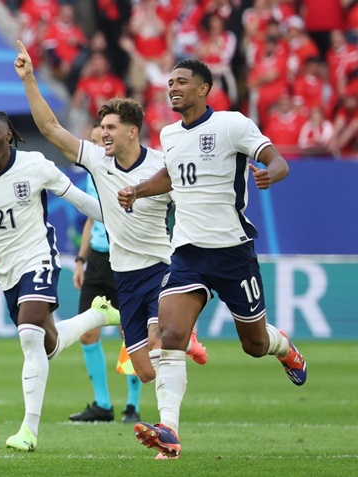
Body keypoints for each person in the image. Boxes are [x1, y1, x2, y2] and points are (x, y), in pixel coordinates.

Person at [14, 41, 209, 451]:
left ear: (132, 131)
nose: (102, 132)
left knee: (162, 344)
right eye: (101, 126)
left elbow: (194, 203)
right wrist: (30, 79)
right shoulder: (97, 161)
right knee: (146, 368)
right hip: (124, 276)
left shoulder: (161, 165)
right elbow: (51, 129)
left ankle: (168, 432)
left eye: (111, 127)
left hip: (162, 268)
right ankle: (180, 349)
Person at [116, 59, 307, 458]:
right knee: (169, 336)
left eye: (182, 82)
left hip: (233, 252)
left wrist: (271, 172)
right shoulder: (169, 133)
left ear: (204, 89)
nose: (173, 88)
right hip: (187, 251)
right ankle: (168, 429)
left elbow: (278, 160)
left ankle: (282, 345)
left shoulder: (232, 124)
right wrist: (138, 190)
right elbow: (171, 176)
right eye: (170, 82)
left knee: (253, 344)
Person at [0, 109, 120, 453]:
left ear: (9, 135)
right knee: (45, 345)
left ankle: (28, 431)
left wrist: (117, 217)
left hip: (39, 257)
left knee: (29, 334)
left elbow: (78, 200)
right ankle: (99, 315)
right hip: (6, 270)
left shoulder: (35, 165)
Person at [69, 122, 143, 424]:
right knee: (88, 332)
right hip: (98, 259)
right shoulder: (93, 174)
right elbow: (90, 219)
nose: (98, 144)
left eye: (101, 139)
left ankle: (132, 405)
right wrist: (80, 260)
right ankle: (102, 404)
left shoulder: (134, 171)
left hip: (126, 257)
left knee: (132, 333)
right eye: (95, 140)